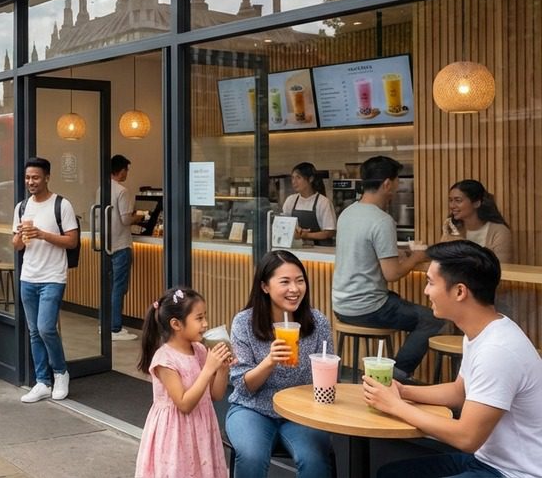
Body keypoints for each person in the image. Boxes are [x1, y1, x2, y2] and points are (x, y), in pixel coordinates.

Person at [366, 241, 542, 478]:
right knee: (391, 474)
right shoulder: (483, 331)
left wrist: (395, 406)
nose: (426, 291)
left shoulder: (497, 350)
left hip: (515, 473)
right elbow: (460, 392)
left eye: (430, 282)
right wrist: (403, 391)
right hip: (487, 461)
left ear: (460, 291)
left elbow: (466, 437)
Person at [226, 251, 335, 478]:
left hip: (301, 412)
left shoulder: (318, 322)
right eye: (285, 282)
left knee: (314, 459)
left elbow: (326, 376)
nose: (294, 289)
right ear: (265, 286)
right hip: (252, 408)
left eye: (300, 280)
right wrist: (269, 361)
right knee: (251, 456)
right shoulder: (244, 322)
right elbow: (243, 385)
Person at [333, 155, 442, 379]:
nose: (397, 187)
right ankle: (395, 376)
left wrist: (396, 254)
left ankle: (392, 375)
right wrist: (418, 256)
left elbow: (363, 253)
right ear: (387, 183)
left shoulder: (347, 213)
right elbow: (392, 274)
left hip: (342, 305)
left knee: (399, 302)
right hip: (368, 308)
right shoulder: (382, 220)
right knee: (433, 318)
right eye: (397, 181)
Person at [135, 286, 232, 478]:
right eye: (199, 318)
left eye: (205, 317)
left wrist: (222, 368)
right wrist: (208, 369)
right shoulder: (165, 360)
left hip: (202, 428)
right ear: (176, 324)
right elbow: (184, 404)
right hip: (175, 434)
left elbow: (216, 395)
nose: (205, 324)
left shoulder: (200, 350)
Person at [12, 157, 79, 403]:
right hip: (28, 276)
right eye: (28, 177)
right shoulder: (21, 207)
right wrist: (21, 236)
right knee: (33, 332)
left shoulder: (61, 205)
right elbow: (17, 245)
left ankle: (61, 372)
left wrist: (42, 234)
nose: (31, 182)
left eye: (36, 177)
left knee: (46, 328)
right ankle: (42, 381)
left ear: (47, 177)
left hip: (53, 276)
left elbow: (71, 241)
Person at [108, 154, 145, 341]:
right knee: (119, 288)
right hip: (121, 245)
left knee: (109, 287)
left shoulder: (102, 188)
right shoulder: (122, 191)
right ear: (121, 170)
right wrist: (140, 216)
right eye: (126, 170)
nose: (127, 173)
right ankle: (115, 328)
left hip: (106, 245)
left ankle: (106, 325)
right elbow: (125, 219)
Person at [440, 180, 512, 263]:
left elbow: (500, 269)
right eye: (450, 200)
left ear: (477, 203)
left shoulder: (500, 232)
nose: (452, 206)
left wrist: (464, 247)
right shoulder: (452, 229)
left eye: (458, 200)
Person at [281, 162, 337, 246]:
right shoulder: (290, 200)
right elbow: (283, 224)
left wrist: (306, 235)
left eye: (298, 178)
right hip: (297, 248)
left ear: (310, 179)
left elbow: (330, 232)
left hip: (321, 251)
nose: (294, 182)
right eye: (292, 178)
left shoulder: (323, 202)